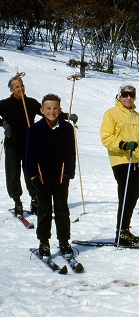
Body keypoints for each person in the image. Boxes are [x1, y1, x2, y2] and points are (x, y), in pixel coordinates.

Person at [0, 74, 77, 216]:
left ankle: (35, 199)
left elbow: (48, 113)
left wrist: (67, 116)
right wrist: (3, 123)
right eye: (17, 86)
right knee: (13, 175)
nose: (21, 88)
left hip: (30, 144)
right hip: (12, 145)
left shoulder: (30, 102)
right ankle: (17, 201)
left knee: (32, 173)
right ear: (11, 89)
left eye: (22, 85)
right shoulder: (4, 104)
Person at [100, 84, 139, 245]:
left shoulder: (137, 116)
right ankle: (120, 231)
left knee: (133, 196)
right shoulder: (111, 114)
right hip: (121, 159)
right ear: (119, 96)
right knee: (125, 195)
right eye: (125, 95)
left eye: (131, 95)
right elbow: (106, 137)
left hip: (138, 159)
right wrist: (123, 144)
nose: (128, 98)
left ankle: (125, 229)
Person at [25, 94, 76, 258]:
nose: (52, 111)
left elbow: (70, 154)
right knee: (44, 211)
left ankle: (64, 241)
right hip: (42, 177)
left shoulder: (67, 128)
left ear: (60, 110)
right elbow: (29, 156)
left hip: (60, 177)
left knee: (62, 210)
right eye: (48, 108)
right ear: (41, 110)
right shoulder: (34, 129)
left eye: (55, 108)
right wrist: (33, 177)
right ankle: (43, 242)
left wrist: (68, 174)